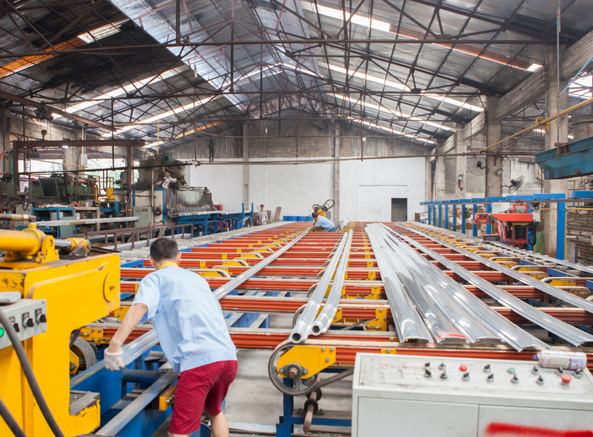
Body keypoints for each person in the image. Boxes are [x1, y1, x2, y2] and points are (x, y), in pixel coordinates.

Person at [104, 238, 237, 437]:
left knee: (178, 432)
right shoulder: (197, 278)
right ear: (179, 257)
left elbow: (141, 307)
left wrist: (115, 344)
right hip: (228, 358)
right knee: (215, 411)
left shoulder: (154, 279)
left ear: (151, 261)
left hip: (199, 363)